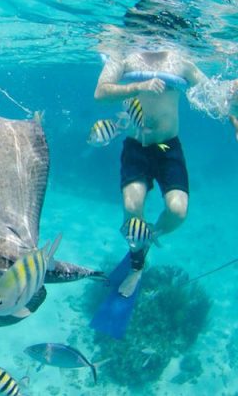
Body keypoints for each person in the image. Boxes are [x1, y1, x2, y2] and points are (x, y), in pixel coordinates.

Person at [94, 47, 237, 296]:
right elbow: (100, 92)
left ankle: (147, 238)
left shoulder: (182, 61)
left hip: (168, 148)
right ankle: (136, 264)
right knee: (132, 205)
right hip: (136, 147)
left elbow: (213, 94)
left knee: (178, 212)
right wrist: (138, 86)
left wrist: (234, 118)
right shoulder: (123, 55)